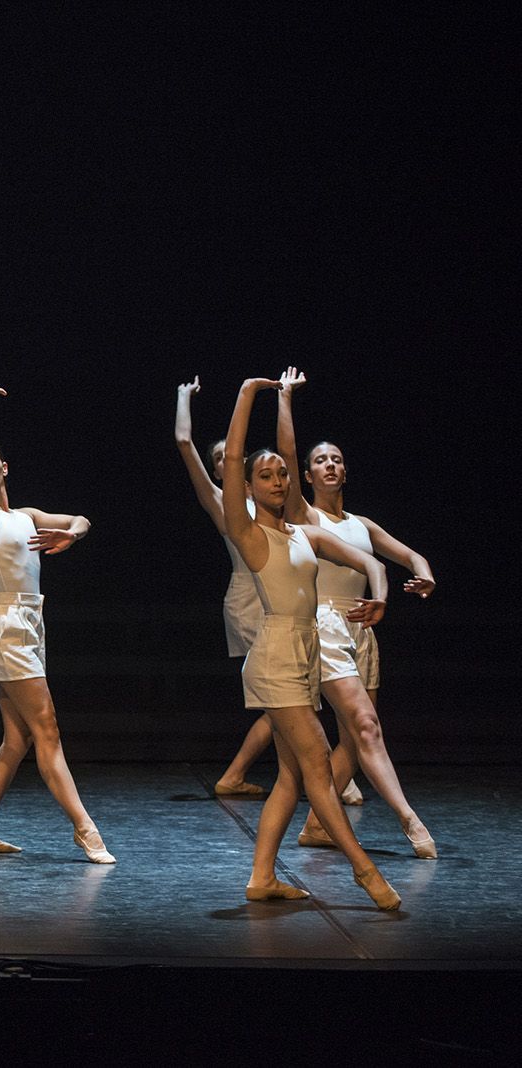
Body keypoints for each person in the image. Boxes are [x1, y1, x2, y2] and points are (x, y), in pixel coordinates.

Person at [221, 376, 399, 908]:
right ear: (250, 488)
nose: (276, 481)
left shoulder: (304, 533)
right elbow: (232, 458)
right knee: (320, 766)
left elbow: (367, 559)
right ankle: (365, 873)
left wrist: (382, 595)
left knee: (291, 778)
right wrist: (249, 395)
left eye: (281, 474)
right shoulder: (250, 533)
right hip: (275, 656)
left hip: (306, 654)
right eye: (265, 475)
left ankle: (261, 878)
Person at [0, 380, 114, 864]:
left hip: (30, 623)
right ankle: (85, 829)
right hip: (6, 625)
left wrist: (71, 537)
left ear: (5, 466)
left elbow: (81, 518)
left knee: (16, 740)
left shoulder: (24, 515)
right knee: (47, 731)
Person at [277, 372, 437, 858]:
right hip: (323, 626)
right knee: (366, 727)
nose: (329, 465)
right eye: (320, 460)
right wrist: (284, 399)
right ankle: (410, 820)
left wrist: (425, 574)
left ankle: (316, 826)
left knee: (353, 736)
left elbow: (412, 557)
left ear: (346, 472)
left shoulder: (362, 525)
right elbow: (285, 453)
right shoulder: (305, 516)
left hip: (363, 629)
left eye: (337, 460)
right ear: (306, 475)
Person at [174, 377, 274, 796]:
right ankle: (236, 774)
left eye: (229, 455)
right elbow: (183, 441)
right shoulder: (220, 501)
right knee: (282, 698)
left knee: (294, 694)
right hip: (249, 599)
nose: (224, 460)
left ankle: (313, 773)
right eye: (218, 458)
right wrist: (183, 397)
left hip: (281, 597)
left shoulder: (271, 495)